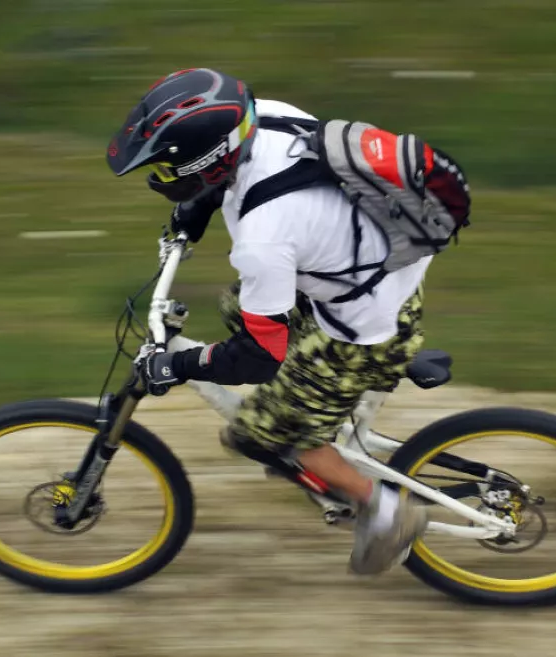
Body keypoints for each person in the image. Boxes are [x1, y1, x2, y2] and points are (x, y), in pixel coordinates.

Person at [105, 68, 471, 576]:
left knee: (261, 436)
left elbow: (259, 357)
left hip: (361, 328)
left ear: (207, 162)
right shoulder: (268, 117)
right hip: (384, 268)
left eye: (168, 171)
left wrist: (177, 366)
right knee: (239, 305)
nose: (159, 180)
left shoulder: (264, 239)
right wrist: (195, 209)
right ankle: (316, 414)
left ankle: (387, 511)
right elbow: (249, 177)